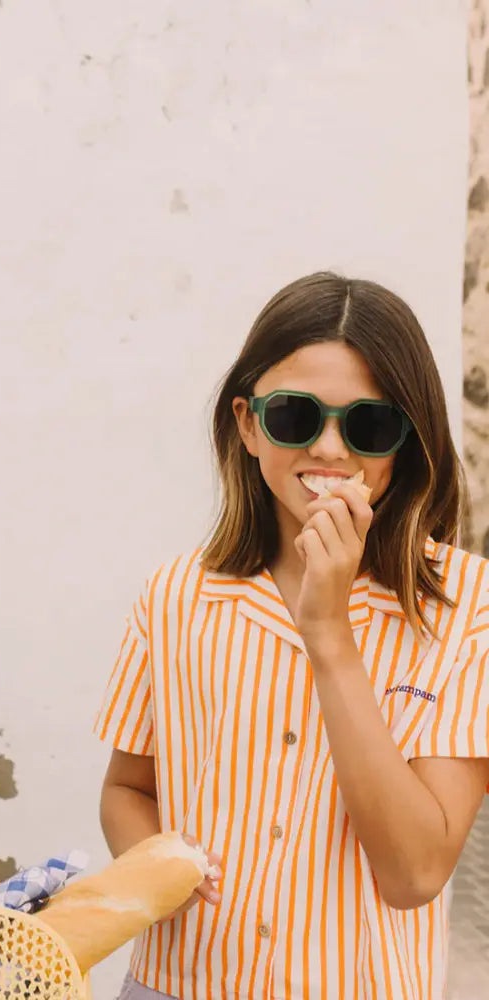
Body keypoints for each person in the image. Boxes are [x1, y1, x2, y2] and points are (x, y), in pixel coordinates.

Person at [95, 272, 489, 1000]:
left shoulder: (466, 606)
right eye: (295, 416)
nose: (330, 449)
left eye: (369, 426)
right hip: (175, 985)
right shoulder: (175, 594)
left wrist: (329, 634)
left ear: (406, 442)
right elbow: (126, 788)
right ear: (248, 425)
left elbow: (415, 874)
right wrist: (155, 867)